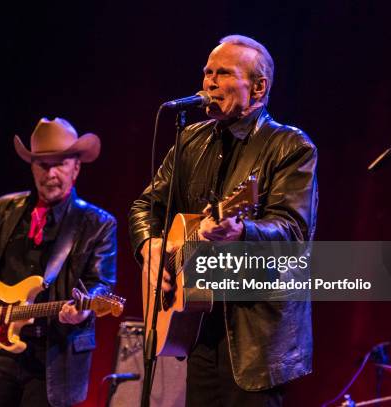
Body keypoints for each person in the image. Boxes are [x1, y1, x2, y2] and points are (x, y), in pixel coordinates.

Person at [129, 34, 318, 406]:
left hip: (255, 337)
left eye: (223, 73)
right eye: (207, 73)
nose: (210, 83)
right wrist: (150, 246)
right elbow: (144, 205)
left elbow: (293, 232)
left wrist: (242, 229)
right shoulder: (190, 140)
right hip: (197, 326)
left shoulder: (290, 147)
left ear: (259, 87)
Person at [0, 117, 117, 407]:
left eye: (60, 164)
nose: (50, 172)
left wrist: (83, 310)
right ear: (31, 167)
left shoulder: (98, 223)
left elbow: (102, 285)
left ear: (76, 167)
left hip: (56, 357)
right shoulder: (3, 210)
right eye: (42, 164)